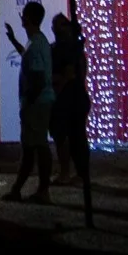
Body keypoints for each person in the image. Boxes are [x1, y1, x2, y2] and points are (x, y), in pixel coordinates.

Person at [2, 1, 56, 203]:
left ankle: (27, 189)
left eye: (24, 15)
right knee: (37, 145)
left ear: (28, 18)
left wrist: (28, 103)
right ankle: (32, 189)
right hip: (42, 102)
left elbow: (38, 78)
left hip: (36, 103)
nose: (21, 18)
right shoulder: (38, 41)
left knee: (33, 147)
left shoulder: (35, 44)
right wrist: (14, 40)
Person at [47, 14, 87, 185]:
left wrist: (56, 86)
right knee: (69, 135)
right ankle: (77, 173)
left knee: (68, 136)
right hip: (72, 95)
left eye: (60, 25)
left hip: (69, 97)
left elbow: (72, 74)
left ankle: (70, 172)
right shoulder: (63, 48)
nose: (56, 28)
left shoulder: (69, 49)